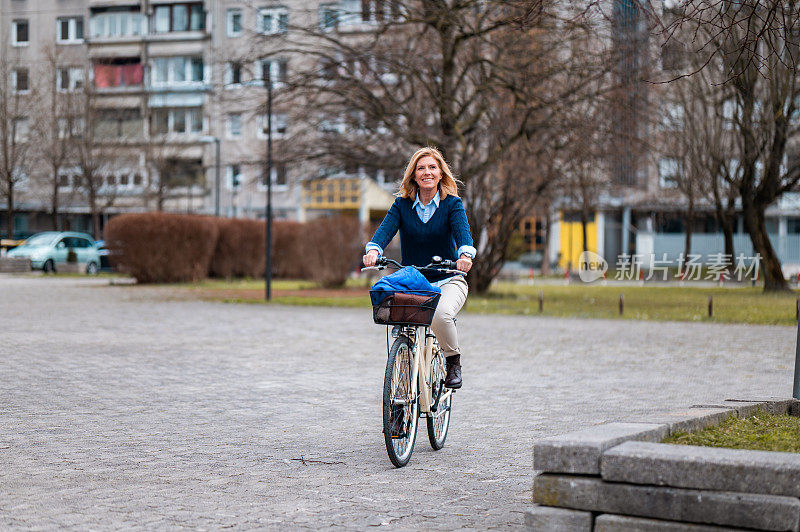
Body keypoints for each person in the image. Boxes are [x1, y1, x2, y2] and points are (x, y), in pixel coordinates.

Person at [363, 147, 476, 388]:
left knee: (441, 314)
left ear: (441, 173)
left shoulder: (452, 205)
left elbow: (464, 236)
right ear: (413, 175)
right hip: (414, 282)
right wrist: (373, 251)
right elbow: (383, 232)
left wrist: (465, 255)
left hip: (448, 280)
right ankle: (401, 398)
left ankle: (452, 361)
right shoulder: (402, 205)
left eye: (432, 167)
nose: (427, 172)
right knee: (396, 314)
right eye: (421, 168)